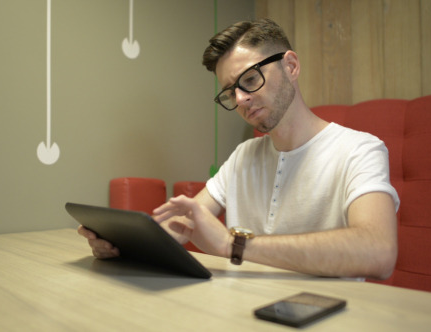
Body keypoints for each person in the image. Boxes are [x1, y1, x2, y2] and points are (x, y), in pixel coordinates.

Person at [78, 18, 399, 280]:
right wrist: (122, 245)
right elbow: (183, 225)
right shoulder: (244, 156)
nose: (241, 99)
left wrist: (234, 245)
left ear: (291, 66)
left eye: (250, 80)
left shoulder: (359, 150)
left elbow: (378, 252)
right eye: (231, 92)